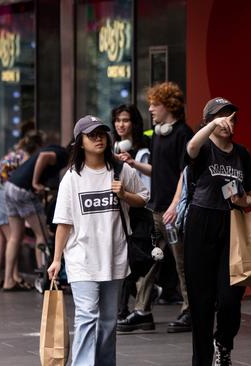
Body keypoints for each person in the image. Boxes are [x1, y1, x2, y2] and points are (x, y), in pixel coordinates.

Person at [48, 115, 149, 365]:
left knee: (107, 321)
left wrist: (124, 194)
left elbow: (144, 198)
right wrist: (56, 259)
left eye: (101, 134)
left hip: (114, 256)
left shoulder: (120, 169)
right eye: (91, 135)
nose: (98, 138)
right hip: (81, 258)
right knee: (86, 316)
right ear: (80, 142)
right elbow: (64, 221)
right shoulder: (72, 178)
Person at [184, 97, 251, 365]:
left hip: (232, 225)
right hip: (200, 222)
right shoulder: (202, 149)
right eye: (220, 117)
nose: (227, 122)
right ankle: (201, 360)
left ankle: (223, 342)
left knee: (230, 297)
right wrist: (212, 124)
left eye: (231, 117)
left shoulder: (242, 154)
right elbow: (191, 146)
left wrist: (241, 201)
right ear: (208, 120)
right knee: (201, 302)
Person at [118, 82, 193, 333]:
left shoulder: (183, 134)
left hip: (174, 212)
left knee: (182, 264)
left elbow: (185, 173)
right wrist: (134, 164)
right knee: (149, 261)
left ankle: (189, 310)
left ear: (169, 106)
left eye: (155, 104)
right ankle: (142, 311)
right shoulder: (159, 135)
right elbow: (159, 171)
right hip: (157, 209)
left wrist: (174, 205)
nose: (150, 108)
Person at [3, 134, 69, 291]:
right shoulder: (62, 155)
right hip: (24, 190)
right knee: (42, 235)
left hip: (11, 185)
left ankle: (8, 280)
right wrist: (35, 182)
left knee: (15, 236)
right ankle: (45, 277)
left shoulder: (55, 148)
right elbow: (44, 157)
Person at [0, 130, 44, 290]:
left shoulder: (15, 153)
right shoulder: (26, 158)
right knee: (13, 238)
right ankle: (11, 278)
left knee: (0, 239)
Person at [111, 104, 152, 320]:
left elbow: (155, 177)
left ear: (134, 123)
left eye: (125, 120)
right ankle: (125, 308)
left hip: (142, 208)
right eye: (118, 120)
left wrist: (132, 163)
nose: (121, 124)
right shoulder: (113, 148)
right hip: (122, 211)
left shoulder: (144, 147)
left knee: (139, 259)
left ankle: (135, 305)